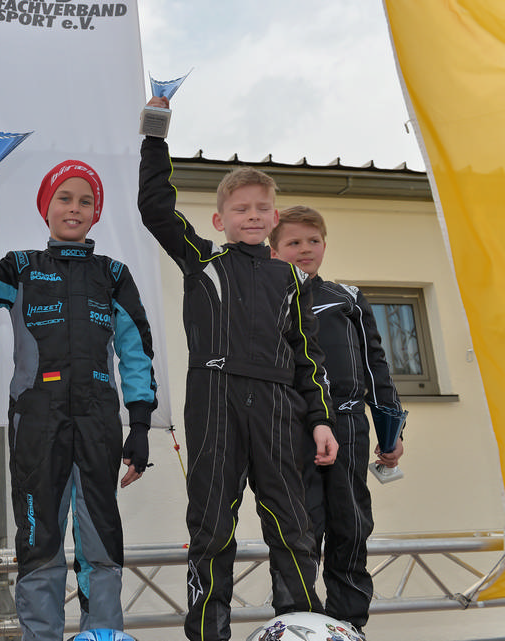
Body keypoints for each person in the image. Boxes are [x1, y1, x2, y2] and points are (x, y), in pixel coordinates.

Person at [137, 96, 338, 641]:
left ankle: (300, 626)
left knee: (292, 525)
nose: (251, 216)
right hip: (214, 398)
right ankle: (208, 633)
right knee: (211, 526)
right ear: (219, 219)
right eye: (241, 209)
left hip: (278, 408)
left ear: (275, 218)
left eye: (261, 208)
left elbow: (309, 358)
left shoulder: (292, 280)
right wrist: (155, 134)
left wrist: (320, 420)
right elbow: (155, 208)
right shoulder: (201, 260)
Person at [0, 160, 158, 641]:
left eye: (85, 201)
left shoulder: (114, 275)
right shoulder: (21, 268)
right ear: (46, 207)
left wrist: (140, 424)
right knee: (40, 542)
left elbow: (136, 350)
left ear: (96, 213)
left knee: (101, 542)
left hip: (98, 422)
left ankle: (103, 636)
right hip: (37, 421)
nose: (74, 208)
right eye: (64, 198)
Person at [270, 205, 405, 637]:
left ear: (325, 245)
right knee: (299, 527)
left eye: (313, 240)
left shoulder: (347, 297)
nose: (305, 249)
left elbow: (376, 365)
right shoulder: (266, 299)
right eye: (293, 242)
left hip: (348, 424)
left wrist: (391, 430)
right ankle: (295, 620)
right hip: (292, 428)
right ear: (274, 250)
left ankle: (349, 624)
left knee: (351, 524)